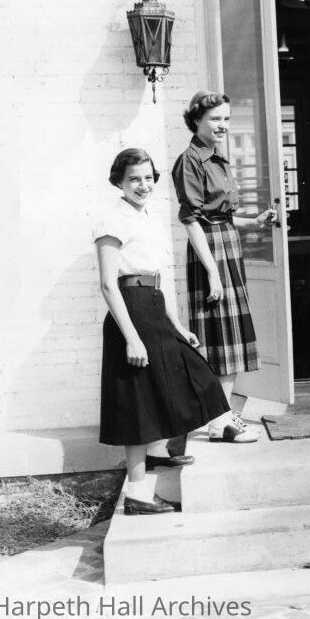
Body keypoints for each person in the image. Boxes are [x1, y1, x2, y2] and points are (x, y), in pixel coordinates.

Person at [94, 149, 237, 515]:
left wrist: (178, 326)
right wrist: (132, 338)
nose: (143, 185)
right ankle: (138, 495)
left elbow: (159, 278)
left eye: (148, 177)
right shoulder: (113, 219)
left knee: (192, 376)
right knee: (138, 402)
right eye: (134, 179)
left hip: (154, 307)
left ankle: (158, 453)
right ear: (119, 181)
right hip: (131, 312)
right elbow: (109, 285)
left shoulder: (150, 217)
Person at [172, 90, 276, 443]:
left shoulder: (218, 158)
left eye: (227, 119)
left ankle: (222, 418)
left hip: (226, 244)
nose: (222, 125)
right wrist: (212, 271)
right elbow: (191, 220)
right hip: (210, 251)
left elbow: (221, 216)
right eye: (215, 119)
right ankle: (220, 421)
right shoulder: (190, 160)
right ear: (196, 121)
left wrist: (254, 221)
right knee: (219, 337)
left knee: (230, 338)